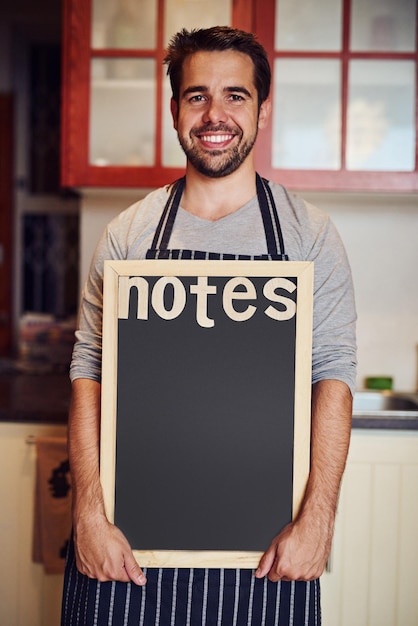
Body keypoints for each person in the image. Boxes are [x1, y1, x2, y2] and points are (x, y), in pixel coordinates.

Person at [61, 26, 356, 626]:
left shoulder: (310, 236)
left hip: (270, 548)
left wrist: (318, 520)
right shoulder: (128, 235)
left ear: (262, 110)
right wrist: (88, 515)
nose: (214, 114)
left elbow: (334, 375)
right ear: (174, 112)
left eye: (235, 96)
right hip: (125, 547)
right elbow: (88, 372)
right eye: (196, 96)